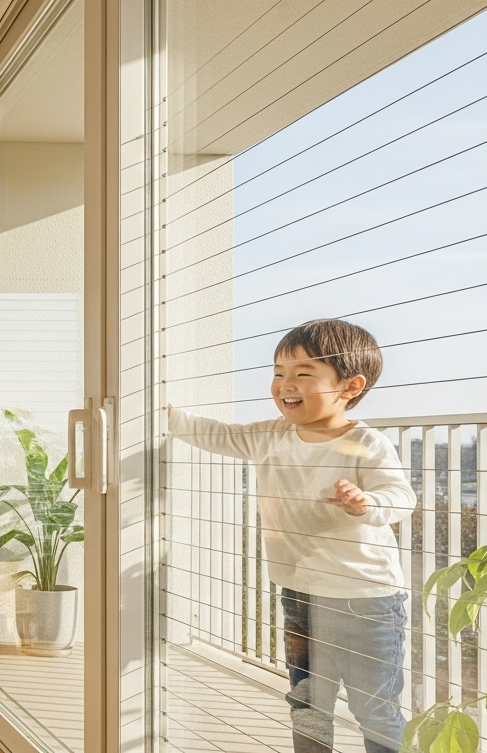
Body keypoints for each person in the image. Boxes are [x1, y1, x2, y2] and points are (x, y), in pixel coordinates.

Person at [168, 318, 415, 753]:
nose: (285, 384)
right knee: (306, 702)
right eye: (278, 372)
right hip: (299, 593)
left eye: (303, 374)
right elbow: (215, 435)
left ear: (350, 386)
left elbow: (400, 497)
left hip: (365, 599)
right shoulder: (271, 436)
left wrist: (367, 504)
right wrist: (159, 412)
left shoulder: (367, 444)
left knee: (374, 709)